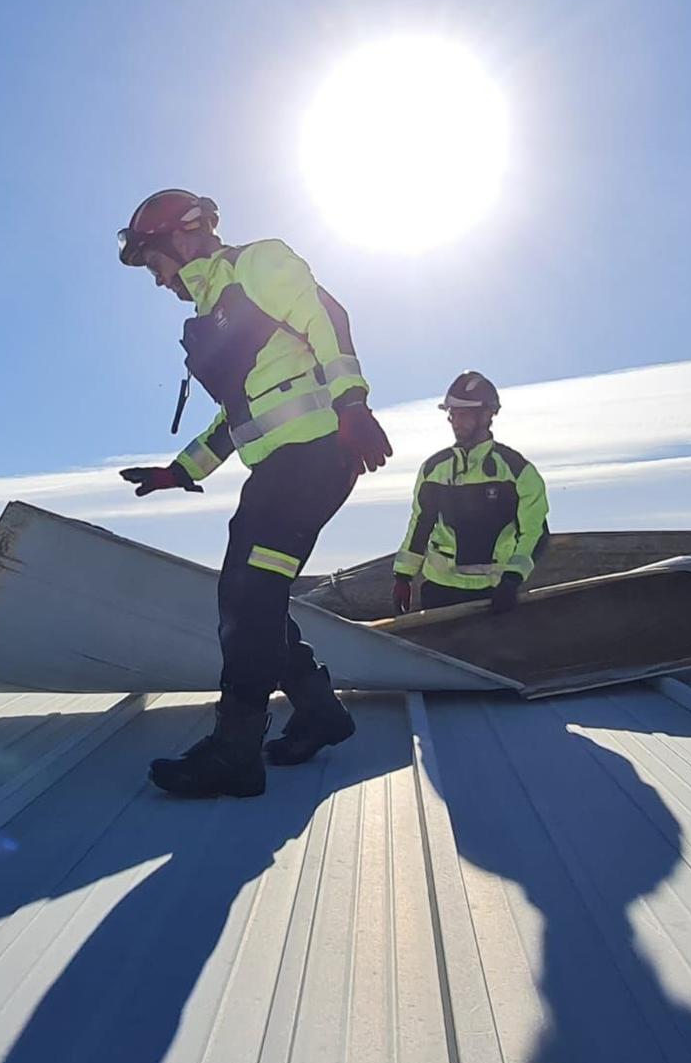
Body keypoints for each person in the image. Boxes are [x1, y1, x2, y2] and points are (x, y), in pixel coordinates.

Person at [116, 188, 393, 799]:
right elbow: (238, 416)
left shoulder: (256, 265)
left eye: (153, 264)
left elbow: (328, 317)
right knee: (251, 596)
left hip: (316, 455)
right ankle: (319, 713)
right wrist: (180, 470)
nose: (158, 283)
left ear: (178, 238)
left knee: (247, 596)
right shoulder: (214, 311)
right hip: (278, 469)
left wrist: (353, 404)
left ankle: (236, 752)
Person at [392, 371, 550, 614]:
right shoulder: (433, 469)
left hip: (494, 595)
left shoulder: (518, 471)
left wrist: (511, 580)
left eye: (464, 414)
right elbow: (420, 525)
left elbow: (535, 533)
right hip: (439, 591)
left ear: (488, 414)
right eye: (452, 414)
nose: (456, 421)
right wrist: (403, 576)